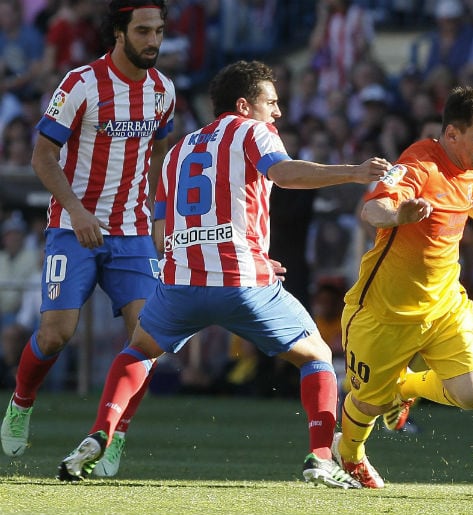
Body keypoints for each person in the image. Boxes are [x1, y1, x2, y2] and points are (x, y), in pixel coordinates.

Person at [56, 59, 392, 487]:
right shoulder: (252, 131)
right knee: (318, 358)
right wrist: (354, 172)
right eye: (271, 102)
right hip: (241, 281)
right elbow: (284, 174)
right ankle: (321, 456)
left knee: (137, 351)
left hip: (180, 283)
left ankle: (101, 431)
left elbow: (161, 232)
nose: (278, 112)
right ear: (244, 105)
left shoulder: (178, 151)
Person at [331, 86, 473, 488]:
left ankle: (403, 386)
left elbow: (470, 198)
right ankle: (348, 454)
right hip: (384, 313)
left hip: (443, 305)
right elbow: (373, 208)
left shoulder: (471, 161)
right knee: (367, 403)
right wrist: (399, 214)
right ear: (452, 134)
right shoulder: (419, 162)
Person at [1, 0, 175, 481]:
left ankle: (113, 435)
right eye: (143, 31)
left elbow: (158, 155)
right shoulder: (80, 83)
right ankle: (21, 403)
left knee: (150, 340)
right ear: (119, 33)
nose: (153, 41)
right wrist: (77, 211)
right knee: (56, 333)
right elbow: (42, 157)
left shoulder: (164, 91)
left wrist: (158, 219)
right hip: (72, 230)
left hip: (134, 234)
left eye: (158, 31)